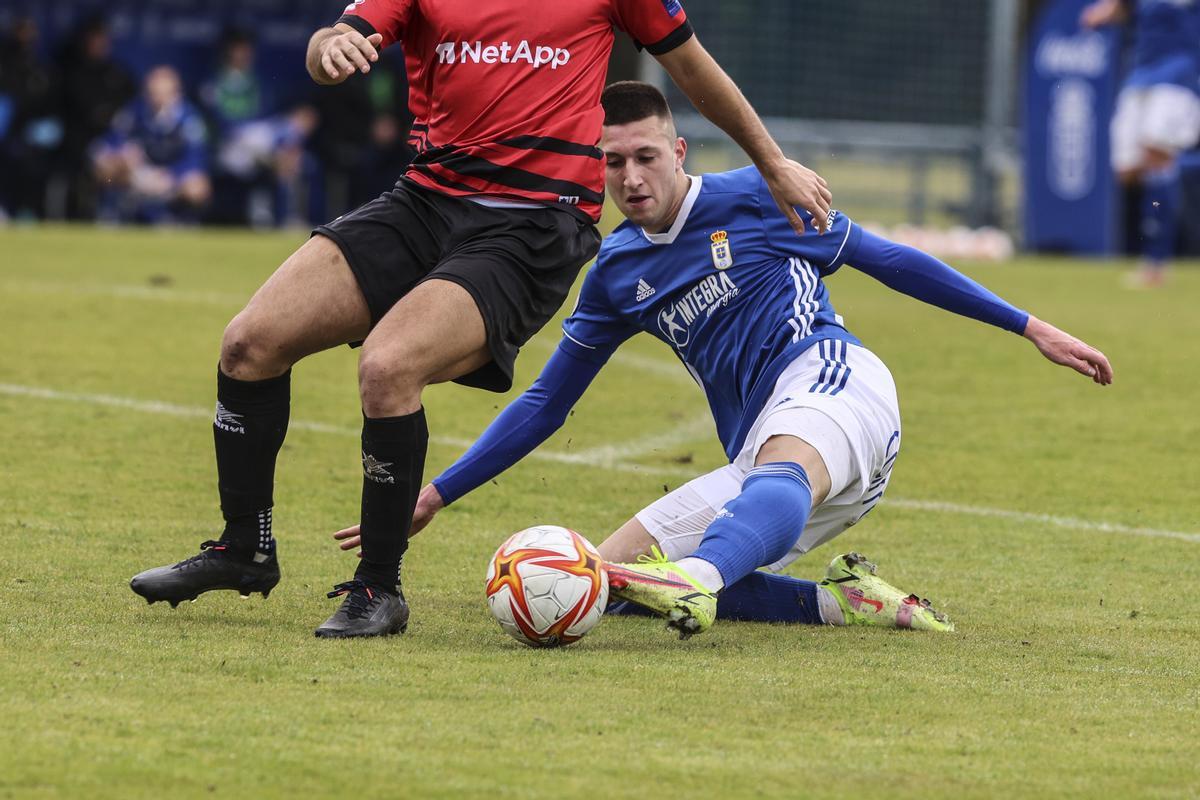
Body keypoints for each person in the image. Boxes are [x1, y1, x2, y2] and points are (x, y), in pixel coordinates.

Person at [128, 0, 835, 640]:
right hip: (426, 200)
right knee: (249, 343)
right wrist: (331, 49)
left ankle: (379, 587)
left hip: (534, 223)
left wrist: (771, 162)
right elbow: (336, 38)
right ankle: (243, 547)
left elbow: (692, 66)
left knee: (388, 365)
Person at [334, 82, 1114, 637]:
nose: (630, 178)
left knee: (757, 491)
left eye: (644, 156)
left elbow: (889, 259)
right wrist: (437, 491)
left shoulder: (754, 195)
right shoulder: (613, 273)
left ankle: (703, 577)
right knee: (603, 585)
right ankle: (846, 604)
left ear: (677, 150)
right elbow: (547, 403)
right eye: (610, 164)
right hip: (762, 467)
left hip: (835, 385)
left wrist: (1028, 325)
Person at [1081, 0, 1200, 287]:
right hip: (1140, 75)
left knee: (1156, 155)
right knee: (1129, 171)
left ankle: (1156, 262)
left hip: (1178, 76)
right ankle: (1154, 250)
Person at [92, 65, 212, 224]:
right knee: (105, 169)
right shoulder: (135, 111)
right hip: (139, 174)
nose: (157, 98)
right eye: (153, 93)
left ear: (175, 93)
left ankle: (182, 219)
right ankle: (113, 214)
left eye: (163, 94)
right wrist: (122, 157)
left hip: (170, 177)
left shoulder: (189, 118)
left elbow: (196, 158)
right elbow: (111, 141)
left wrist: (170, 175)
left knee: (197, 186)